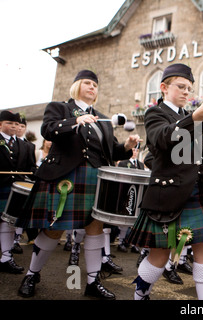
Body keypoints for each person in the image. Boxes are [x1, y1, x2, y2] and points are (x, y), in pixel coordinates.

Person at [17, 69, 141, 300]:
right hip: (67, 177)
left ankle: (93, 281)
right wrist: (75, 120)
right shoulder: (60, 108)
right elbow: (48, 130)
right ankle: (32, 274)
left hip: (96, 179)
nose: (92, 87)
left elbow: (110, 151)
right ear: (76, 86)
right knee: (54, 229)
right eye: (87, 83)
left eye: (95, 85)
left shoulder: (102, 117)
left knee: (95, 229)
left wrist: (126, 145)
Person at [126, 63, 203, 300]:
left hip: (195, 191)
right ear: (164, 87)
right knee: (159, 257)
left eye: (189, 88)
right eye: (181, 87)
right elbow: (162, 140)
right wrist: (195, 116)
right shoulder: (155, 113)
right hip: (167, 194)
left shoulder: (190, 117)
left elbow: (201, 154)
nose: (186, 92)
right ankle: (140, 295)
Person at [0, 111, 36, 274]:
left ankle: (6, 258)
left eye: (16, 124)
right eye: (10, 123)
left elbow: (31, 168)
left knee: (9, 223)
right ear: (0, 124)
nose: (14, 126)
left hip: (16, 191)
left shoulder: (26, 145)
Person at [11, 114, 38, 253]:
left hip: (20, 184)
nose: (19, 128)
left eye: (22, 126)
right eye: (17, 125)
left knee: (17, 215)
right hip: (5, 183)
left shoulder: (29, 146)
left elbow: (31, 166)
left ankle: (15, 240)